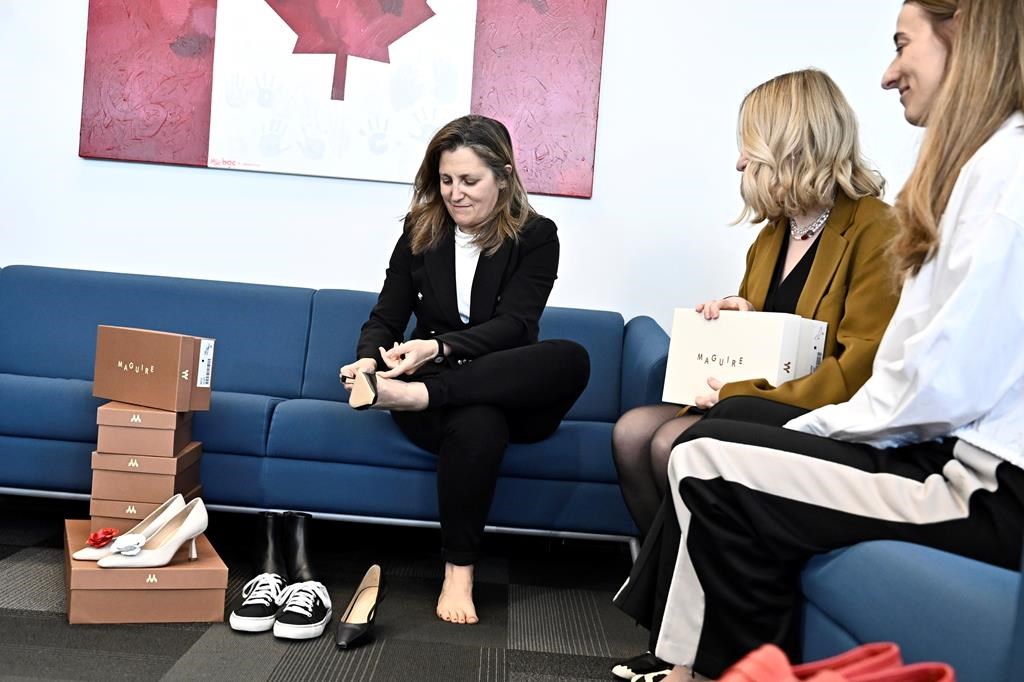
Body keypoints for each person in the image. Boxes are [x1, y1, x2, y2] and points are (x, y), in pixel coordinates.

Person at [614, 0, 1023, 680]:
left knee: (705, 450)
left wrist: (819, 427)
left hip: (975, 476)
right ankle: (686, 660)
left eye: (902, 44)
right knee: (697, 438)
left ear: (966, 37)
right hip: (943, 446)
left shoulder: (988, 180)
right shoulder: (975, 173)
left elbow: (921, 379)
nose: (890, 73)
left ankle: (695, 663)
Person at [612, 68, 899, 550]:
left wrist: (735, 390)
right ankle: (673, 585)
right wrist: (739, 315)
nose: (741, 162)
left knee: (666, 444)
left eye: (751, 145)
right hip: (756, 397)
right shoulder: (772, 234)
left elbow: (860, 369)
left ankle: (687, 590)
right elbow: (774, 333)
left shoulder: (877, 229)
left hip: (818, 411)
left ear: (791, 144)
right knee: (630, 434)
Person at [339, 114, 591, 626]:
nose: (455, 194)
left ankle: (414, 396)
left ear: (503, 176)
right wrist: (369, 357)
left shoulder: (537, 236)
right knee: (478, 420)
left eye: (469, 181)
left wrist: (435, 349)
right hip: (447, 410)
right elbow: (388, 314)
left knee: (571, 357)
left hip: (505, 391)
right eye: (446, 180)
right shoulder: (421, 230)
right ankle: (459, 572)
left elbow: (516, 327)